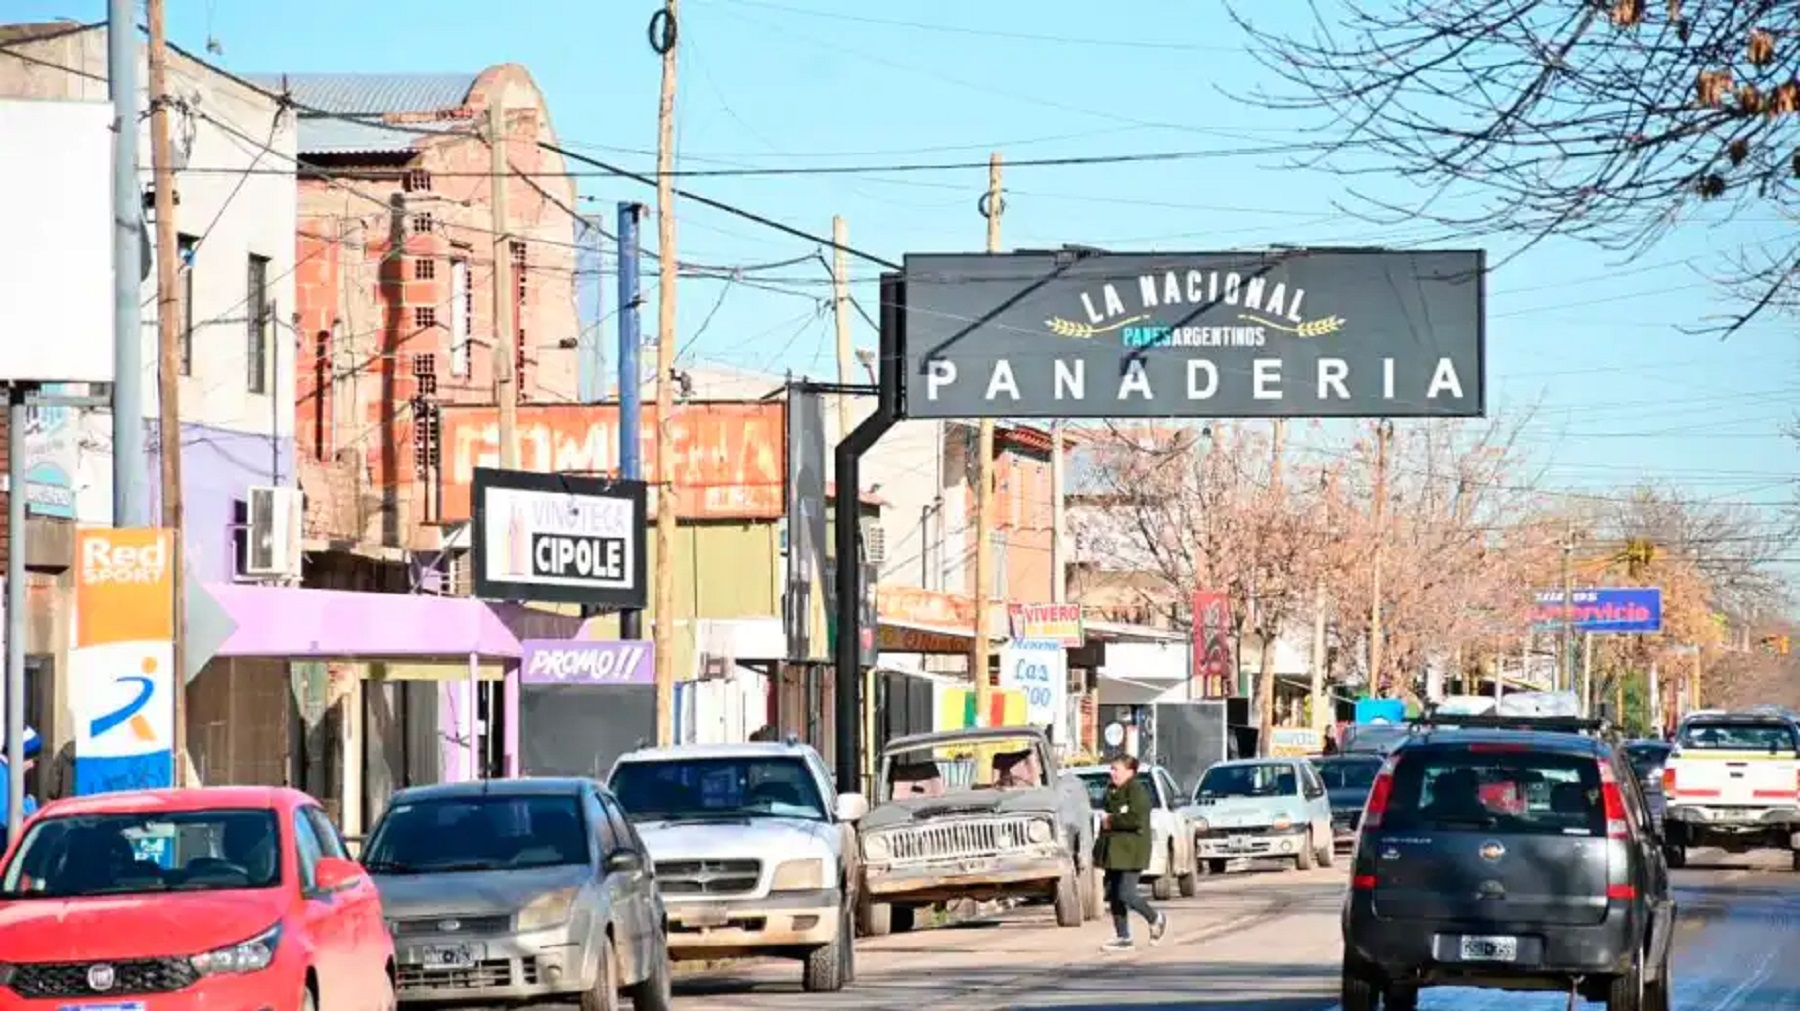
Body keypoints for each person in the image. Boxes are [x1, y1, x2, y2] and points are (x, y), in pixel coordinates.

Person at [1094, 754, 1167, 952]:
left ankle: (1155, 918)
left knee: (1126, 893)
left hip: (1132, 851)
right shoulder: (1111, 790)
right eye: (1112, 769)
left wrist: (1111, 820)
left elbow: (1136, 819)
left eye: (1116, 769)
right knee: (1114, 894)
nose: (1112, 773)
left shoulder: (1136, 790)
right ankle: (1123, 937)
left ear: (1130, 772)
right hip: (1113, 852)